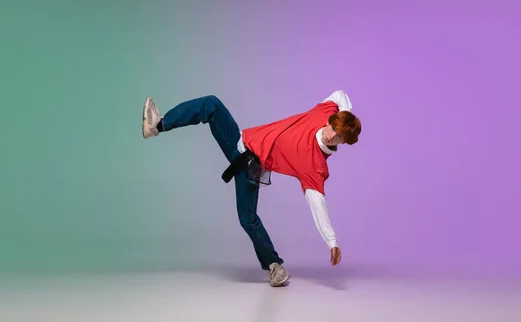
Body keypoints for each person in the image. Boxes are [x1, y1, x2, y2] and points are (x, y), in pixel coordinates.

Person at [141, 90, 362, 287]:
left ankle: (275, 266)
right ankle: (158, 125)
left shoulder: (315, 166)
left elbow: (317, 203)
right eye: (334, 128)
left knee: (247, 218)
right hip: (241, 141)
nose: (332, 134)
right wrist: (347, 115)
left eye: (340, 136)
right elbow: (340, 95)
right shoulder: (325, 112)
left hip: (250, 165)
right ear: (331, 120)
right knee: (211, 103)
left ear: (344, 142)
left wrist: (332, 241)